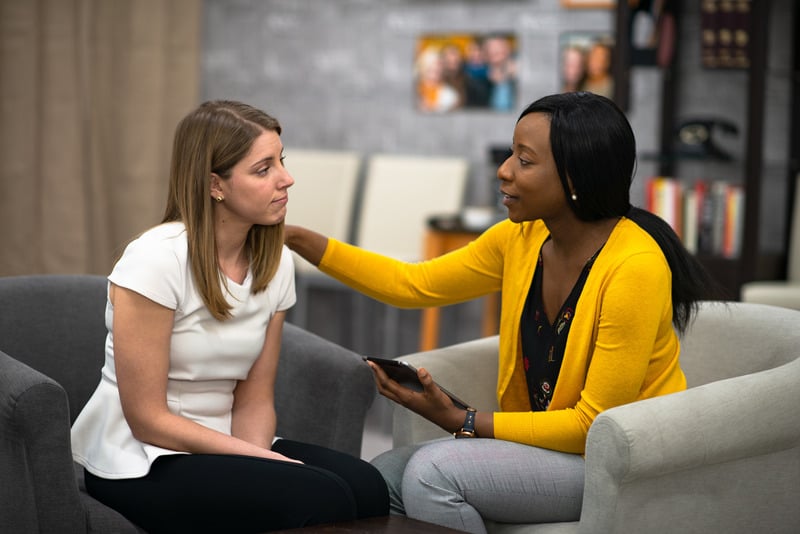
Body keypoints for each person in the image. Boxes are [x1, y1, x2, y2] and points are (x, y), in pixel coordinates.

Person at [284, 92, 722, 533]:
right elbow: (413, 284)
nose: (504, 170)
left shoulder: (634, 268)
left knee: (433, 473)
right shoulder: (522, 239)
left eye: (525, 161)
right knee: (379, 479)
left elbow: (594, 424)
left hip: (617, 464)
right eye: (512, 153)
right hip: (552, 453)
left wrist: (465, 422)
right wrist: (298, 239)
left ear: (575, 178)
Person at [70, 100, 389, 533]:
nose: (286, 178)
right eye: (263, 169)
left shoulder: (274, 261)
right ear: (215, 184)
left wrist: (257, 460)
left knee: (367, 486)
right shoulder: (155, 259)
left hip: (225, 439)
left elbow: (255, 397)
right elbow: (146, 417)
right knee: (319, 496)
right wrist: (260, 463)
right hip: (138, 454)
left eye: (282, 161)